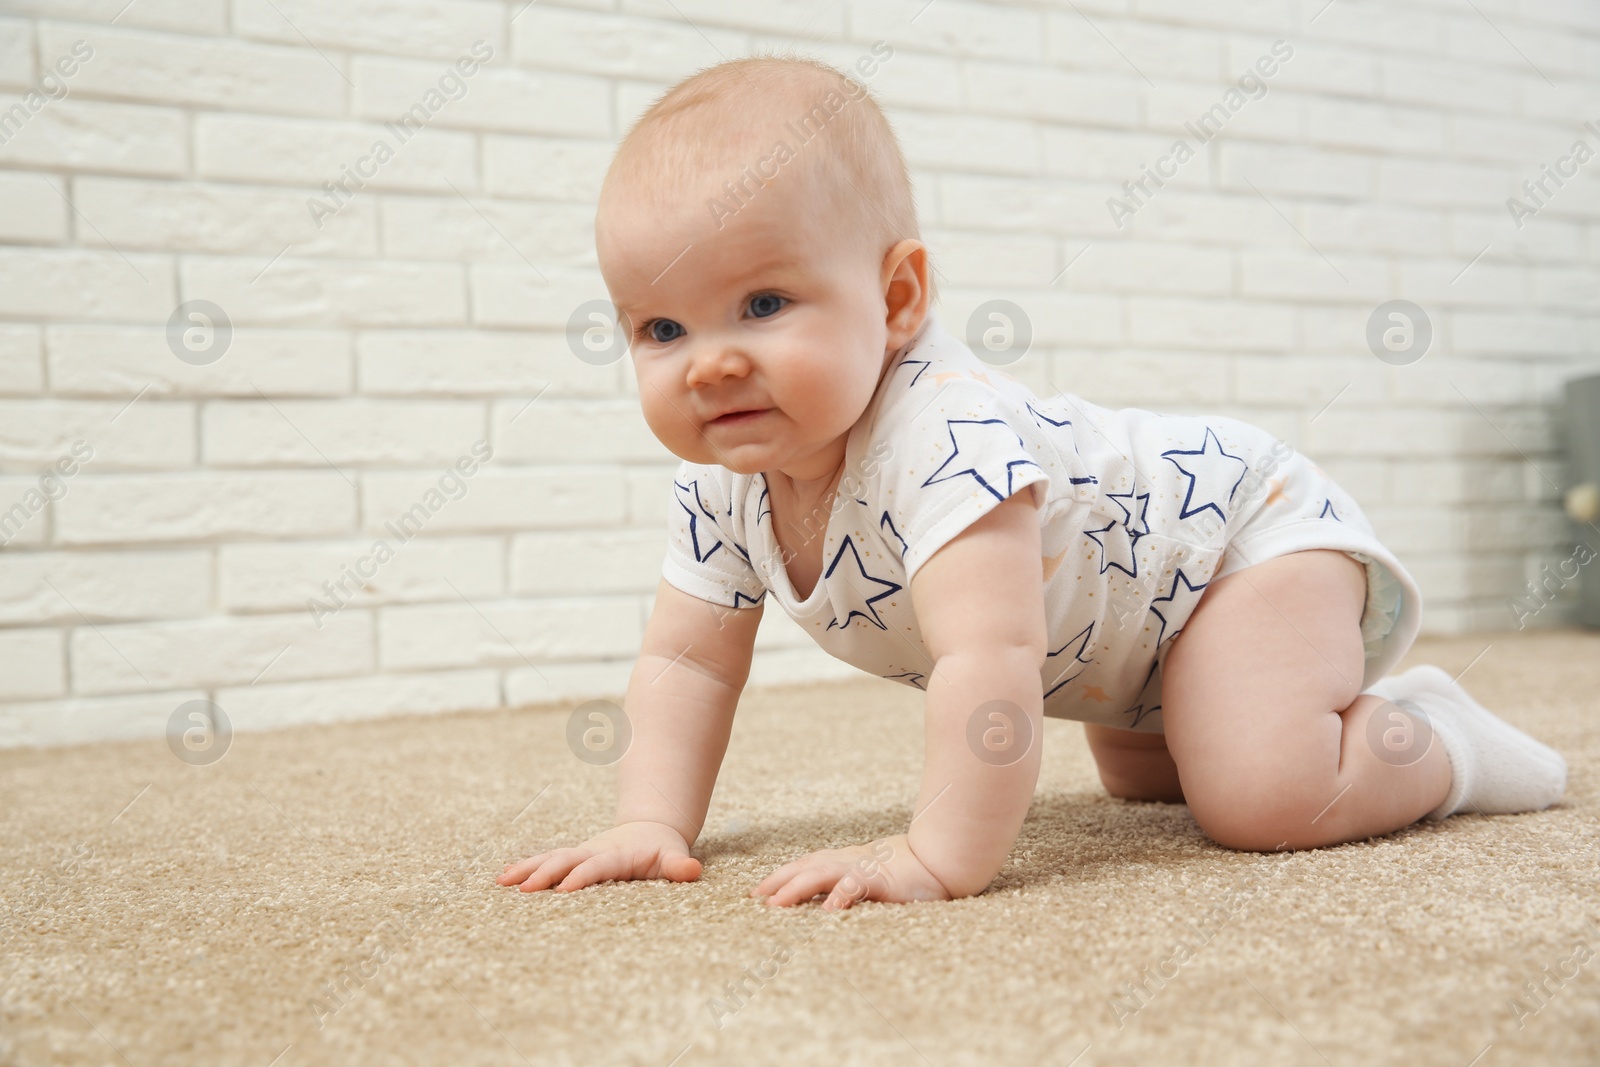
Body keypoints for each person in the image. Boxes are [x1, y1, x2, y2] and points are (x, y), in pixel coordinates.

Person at [499, 55, 1567, 910]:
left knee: (1261, 793)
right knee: (1152, 784)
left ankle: (1431, 738)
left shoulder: (943, 437)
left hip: (1242, 539)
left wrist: (939, 852)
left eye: (765, 303)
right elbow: (685, 662)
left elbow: (989, 658)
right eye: (662, 327)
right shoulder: (722, 481)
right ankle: (1205, 708)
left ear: (898, 294)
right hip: (1132, 622)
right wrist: (650, 819)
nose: (710, 361)